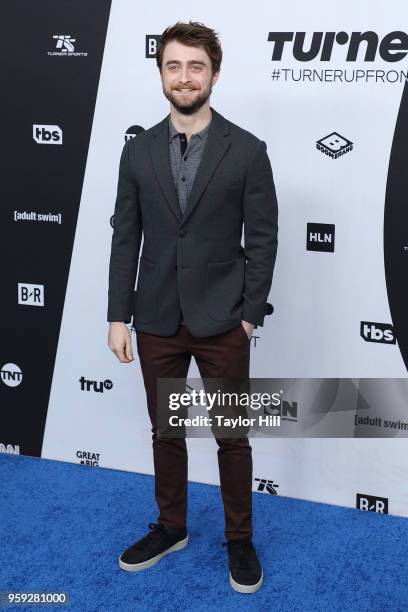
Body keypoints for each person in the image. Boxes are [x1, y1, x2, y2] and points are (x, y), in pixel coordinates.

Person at [107, 20, 278, 594]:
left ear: (214, 74)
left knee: (232, 435)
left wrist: (249, 311)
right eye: (174, 66)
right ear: (161, 73)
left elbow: (263, 239)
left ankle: (239, 537)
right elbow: (125, 237)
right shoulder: (137, 152)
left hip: (223, 318)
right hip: (155, 316)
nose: (185, 77)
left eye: (196, 66)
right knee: (166, 433)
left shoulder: (248, 151)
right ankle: (172, 526)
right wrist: (116, 315)